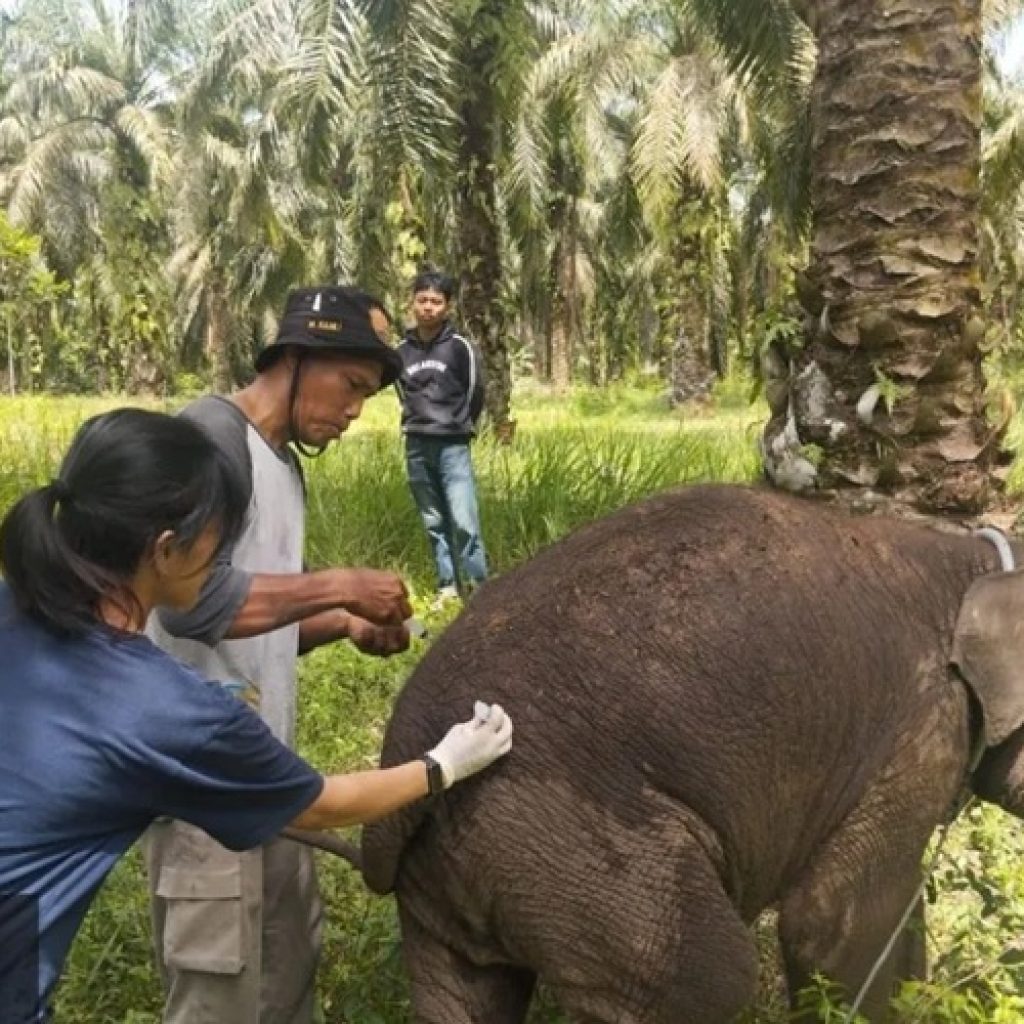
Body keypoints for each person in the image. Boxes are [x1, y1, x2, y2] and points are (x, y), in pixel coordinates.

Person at [0, 408, 513, 1024]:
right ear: (166, 549)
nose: (225, 556)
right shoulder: (171, 712)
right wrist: (445, 764)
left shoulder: (17, 604)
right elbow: (324, 804)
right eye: (221, 537)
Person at [141, 284, 423, 1024]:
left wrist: (345, 624)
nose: (355, 410)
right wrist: (341, 585)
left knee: (288, 976)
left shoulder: (284, 467)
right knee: (219, 997)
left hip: (270, 776)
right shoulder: (209, 437)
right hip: (199, 787)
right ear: (296, 357)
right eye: (352, 385)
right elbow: (194, 603)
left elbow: (254, 620)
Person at [396, 269, 489, 608]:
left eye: (436, 302)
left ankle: (480, 586)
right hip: (416, 444)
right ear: (412, 303)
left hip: (453, 445)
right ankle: (448, 586)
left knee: (464, 519)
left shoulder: (460, 347)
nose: (429, 308)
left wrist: (462, 426)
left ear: (448, 307)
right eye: (423, 300)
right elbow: (401, 392)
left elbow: (475, 389)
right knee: (433, 520)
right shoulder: (401, 351)